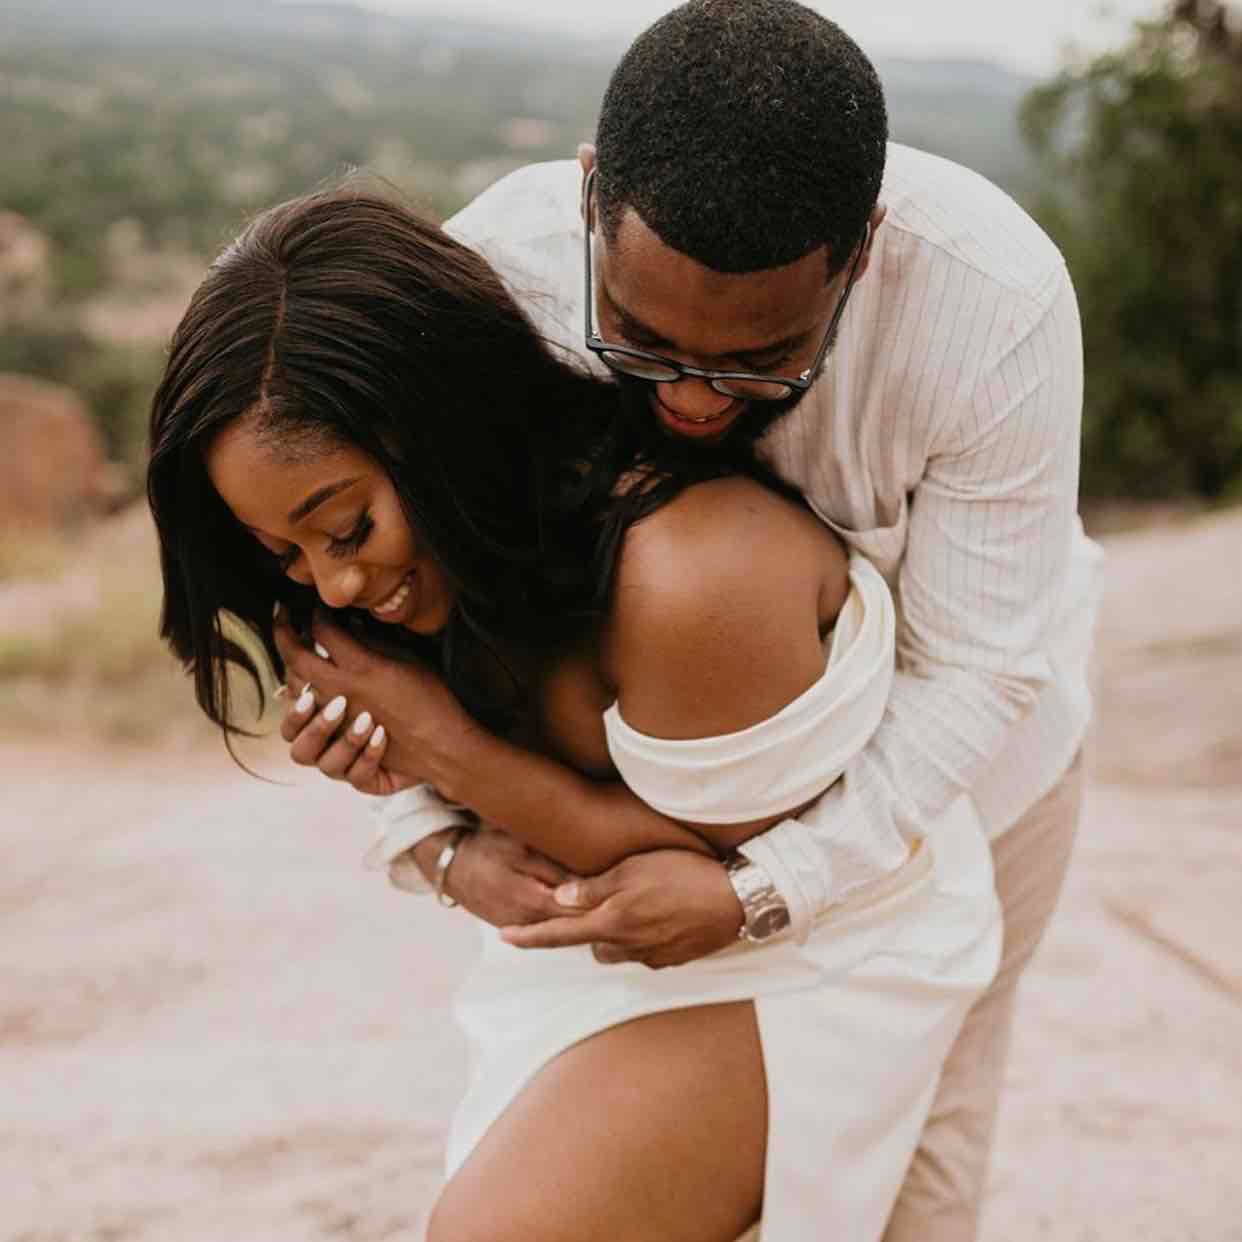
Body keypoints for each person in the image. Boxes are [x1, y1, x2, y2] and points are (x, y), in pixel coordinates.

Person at [278, 2, 1101, 1238]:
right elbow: (409, 570)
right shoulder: (493, 274)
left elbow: (979, 673)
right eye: (647, 347)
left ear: (861, 253)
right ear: (590, 196)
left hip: (956, 810)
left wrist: (771, 889)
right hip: (622, 825)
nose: (701, 405)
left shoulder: (999, 304)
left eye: (764, 359)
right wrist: (432, 837)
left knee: (913, 1188)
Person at [148, 187, 1000, 1241]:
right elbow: (489, 801)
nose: (332, 587)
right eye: (287, 552)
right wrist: (440, 839)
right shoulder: (442, 561)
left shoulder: (692, 579)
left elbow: (718, 864)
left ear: (436, 435)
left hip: (823, 939)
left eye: (346, 527)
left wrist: (449, 752)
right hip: (619, 944)